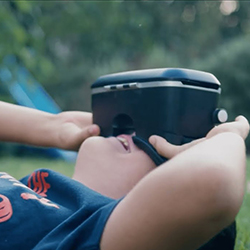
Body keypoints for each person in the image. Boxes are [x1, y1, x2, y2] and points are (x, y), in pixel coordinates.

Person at [0, 101, 249, 250]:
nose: (139, 136)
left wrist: (229, 137)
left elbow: (212, 181)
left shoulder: (82, 234)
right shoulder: (47, 197)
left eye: (163, 155)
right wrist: (53, 127)